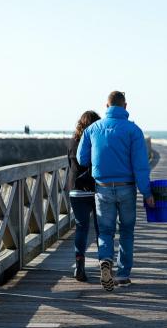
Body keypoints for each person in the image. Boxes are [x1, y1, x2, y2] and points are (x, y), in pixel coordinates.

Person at [77, 91, 155, 291]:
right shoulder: (133, 130)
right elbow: (140, 166)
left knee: (105, 231)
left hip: (102, 188)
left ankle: (105, 260)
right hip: (127, 187)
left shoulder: (92, 129)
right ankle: (122, 274)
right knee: (127, 230)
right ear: (125, 106)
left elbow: (81, 159)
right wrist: (147, 193)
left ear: (106, 106)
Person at [66, 111, 101, 282]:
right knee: (101, 228)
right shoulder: (97, 140)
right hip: (95, 189)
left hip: (75, 190)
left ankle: (79, 265)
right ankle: (105, 265)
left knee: (81, 228)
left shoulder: (72, 142)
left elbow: (70, 163)